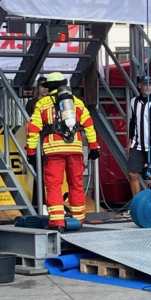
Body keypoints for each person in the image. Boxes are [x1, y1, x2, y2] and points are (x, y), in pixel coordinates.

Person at [26, 72, 100, 231]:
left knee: (54, 186)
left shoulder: (42, 104)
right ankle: (79, 220)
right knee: (76, 184)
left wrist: (31, 151)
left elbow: (33, 129)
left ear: (49, 86)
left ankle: (57, 221)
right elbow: (89, 126)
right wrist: (94, 147)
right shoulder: (77, 103)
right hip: (75, 149)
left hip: (53, 150)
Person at [25, 77, 48, 211]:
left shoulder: (52, 102)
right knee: (38, 173)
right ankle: (38, 202)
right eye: (42, 86)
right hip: (37, 140)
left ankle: (47, 202)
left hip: (49, 141)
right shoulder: (32, 103)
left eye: (47, 87)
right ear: (37, 88)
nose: (45, 89)